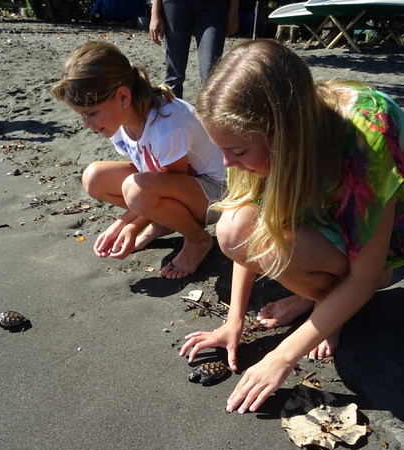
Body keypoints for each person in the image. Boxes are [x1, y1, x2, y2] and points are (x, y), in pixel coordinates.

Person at [180, 39, 404, 413]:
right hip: (320, 223)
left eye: (236, 151)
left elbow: (364, 277)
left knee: (332, 277)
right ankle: (320, 300)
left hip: (381, 248)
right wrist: (234, 320)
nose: (226, 162)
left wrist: (283, 357)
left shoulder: (369, 133)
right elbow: (245, 232)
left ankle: (325, 309)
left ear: (285, 133)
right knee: (232, 228)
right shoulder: (252, 143)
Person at [51, 41, 226, 279]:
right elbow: (151, 175)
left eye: (91, 113)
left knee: (136, 189)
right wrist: (133, 222)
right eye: (82, 115)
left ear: (123, 96)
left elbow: (169, 184)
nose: (86, 125)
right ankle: (163, 221)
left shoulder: (166, 127)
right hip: (176, 188)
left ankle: (197, 239)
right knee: (94, 178)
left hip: (216, 196)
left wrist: (128, 225)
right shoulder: (120, 120)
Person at [149, 0, 238, 98]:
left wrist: (233, 11)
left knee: (210, 75)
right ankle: (173, 111)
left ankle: (208, 111)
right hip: (176, 4)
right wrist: (154, 12)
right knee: (174, 76)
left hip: (213, 7)